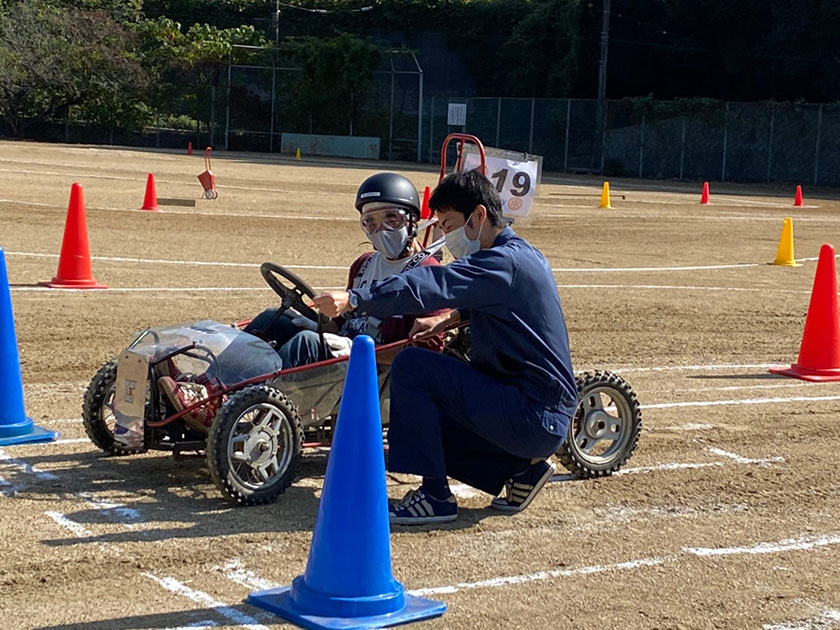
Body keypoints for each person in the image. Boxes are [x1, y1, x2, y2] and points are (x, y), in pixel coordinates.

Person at [314, 169, 577, 525]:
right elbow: (490, 299)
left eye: (450, 224)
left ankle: (434, 496)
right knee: (426, 410)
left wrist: (355, 298)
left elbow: (430, 284)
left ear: (479, 215)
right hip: (534, 410)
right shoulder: (521, 255)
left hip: (531, 413)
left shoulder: (500, 261)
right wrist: (450, 318)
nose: (445, 235)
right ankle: (518, 471)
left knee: (413, 365)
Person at [159, 172, 445, 425]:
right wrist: (317, 321)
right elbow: (343, 326)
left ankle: (240, 407)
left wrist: (357, 351)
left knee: (306, 344)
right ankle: (205, 387)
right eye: (370, 221)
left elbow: (426, 353)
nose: (381, 229)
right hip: (345, 353)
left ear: (411, 220)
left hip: (379, 371)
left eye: (390, 218)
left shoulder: (427, 273)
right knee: (273, 319)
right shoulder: (364, 264)